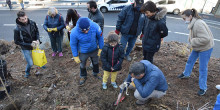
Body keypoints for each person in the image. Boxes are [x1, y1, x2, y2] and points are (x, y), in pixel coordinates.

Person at [178, 9, 214, 96]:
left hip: (205, 48)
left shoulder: (198, 24)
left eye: (184, 18)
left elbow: (206, 39)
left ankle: (203, 87)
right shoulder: (193, 22)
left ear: (190, 16)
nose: (184, 20)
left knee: (202, 68)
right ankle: (186, 74)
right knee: (190, 60)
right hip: (198, 46)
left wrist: (192, 41)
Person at [70, 17, 104, 85]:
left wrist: (101, 48)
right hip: (83, 51)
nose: (86, 32)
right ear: (80, 28)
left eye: (87, 29)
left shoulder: (95, 26)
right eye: (84, 31)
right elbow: (73, 44)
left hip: (94, 49)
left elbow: (100, 37)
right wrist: (75, 55)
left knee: (95, 62)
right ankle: (83, 76)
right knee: (82, 64)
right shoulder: (74, 32)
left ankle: (96, 72)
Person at [14, 11, 40, 78]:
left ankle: (38, 70)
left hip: (34, 44)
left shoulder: (32, 22)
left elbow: (37, 31)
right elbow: (16, 41)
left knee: (37, 58)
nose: (25, 20)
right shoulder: (17, 29)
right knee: (30, 63)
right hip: (25, 47)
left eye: (25, 18)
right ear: (19, 19)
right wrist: (29, 44)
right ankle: (27, 72)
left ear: (27, 16)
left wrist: (37, 39)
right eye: (22, 19)